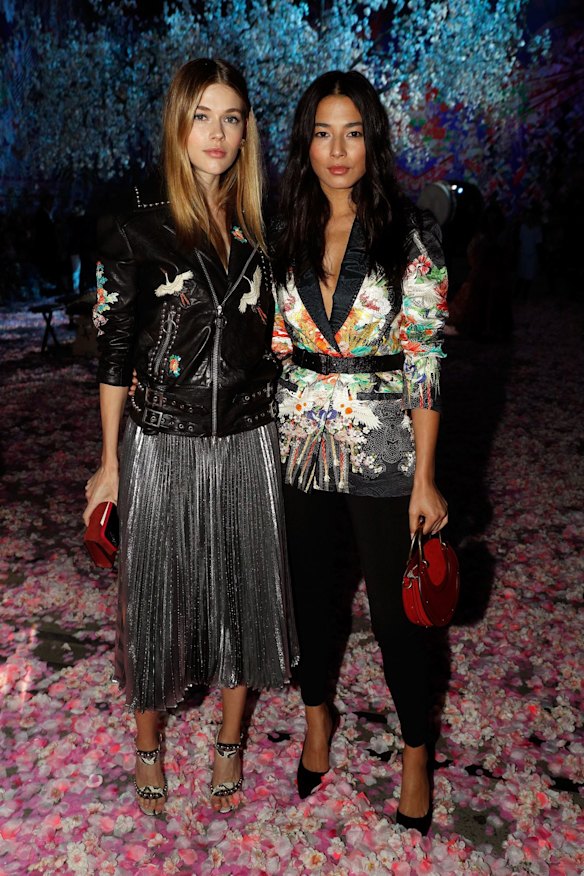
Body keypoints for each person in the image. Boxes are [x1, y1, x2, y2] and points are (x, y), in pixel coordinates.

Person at [83, 58, 297, 817]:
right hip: (161, 440)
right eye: (202, 115)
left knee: (243, 594)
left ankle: (230, 747)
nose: (218, 132)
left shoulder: (264, 234)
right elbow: (112, 353)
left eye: (232, 117)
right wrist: (109, 462)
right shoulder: (137, 232)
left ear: (247, 132)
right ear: (178, 126)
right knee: (154, 598)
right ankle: (148, 748)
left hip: (247, 439)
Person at [272, 70, 449, 835]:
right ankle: (318, 720)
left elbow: (426, 358)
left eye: (351, 132)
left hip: (383, 445)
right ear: (304, 143)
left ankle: (415, 752)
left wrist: (428, 477)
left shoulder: (409, 234)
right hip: (298, 441)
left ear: (372, 140)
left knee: (396, 609)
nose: (336, 149)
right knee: (310, 595)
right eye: (322, 132)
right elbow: (278, 341)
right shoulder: (286, 229)